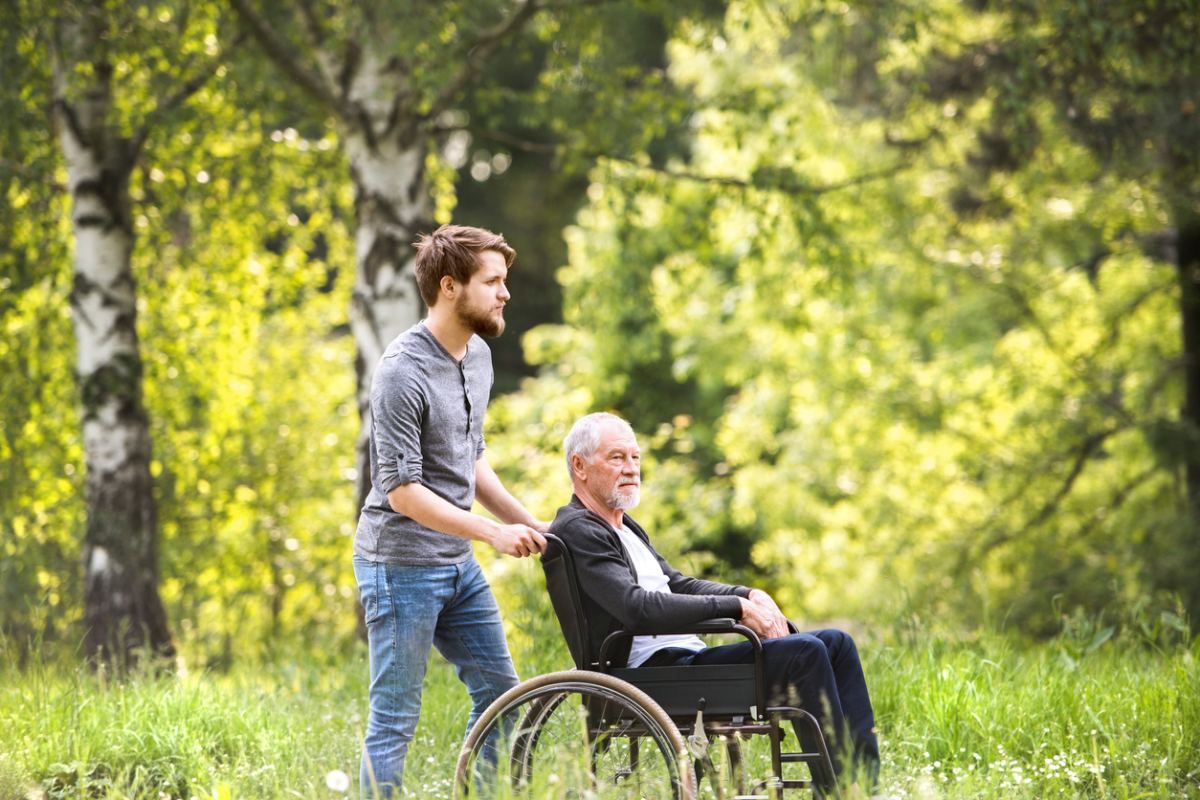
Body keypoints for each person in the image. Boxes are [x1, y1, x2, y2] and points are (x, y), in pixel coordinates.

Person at [549, 411, 879, 789]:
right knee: (805, 653)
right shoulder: (578, 529)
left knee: (836, 643)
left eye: (635, 457)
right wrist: (736, 610)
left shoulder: (623, 526)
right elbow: (636, 608)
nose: (631, 468)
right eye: (617, 458)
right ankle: (840, 791)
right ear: (580, 466)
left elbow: (677, 584)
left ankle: (865, 785)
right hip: (648, 676)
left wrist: (747, 594)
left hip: (683, 663)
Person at [353, 224, 547, 798]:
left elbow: (472, 461)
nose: (504, 293)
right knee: (394, 723)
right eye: (492, 281)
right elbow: (402, 492)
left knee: (503, 702)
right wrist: (493, 533)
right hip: (398, 566)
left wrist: (531, 522)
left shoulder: (478, 356)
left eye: (503, 281)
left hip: (454, 563)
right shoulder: (400, 373)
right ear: (449, 286)